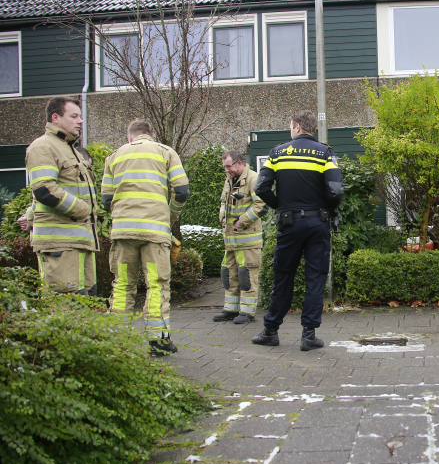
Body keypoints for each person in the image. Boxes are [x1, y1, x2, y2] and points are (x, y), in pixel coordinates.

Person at [251, 110, 344, 351]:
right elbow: (335, 191)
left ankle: (270, 331)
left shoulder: (277, 152)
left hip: (288, 223)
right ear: (311, 128)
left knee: (283, 276)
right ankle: (308, 336)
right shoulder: (325, 153)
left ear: (296, 126)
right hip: (317, 223)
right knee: (315, 279)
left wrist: (279, 206)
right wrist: (328, 209)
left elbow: (261, 187)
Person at [101, 120, 190, 357]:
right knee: (157, 284)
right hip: (154, 233)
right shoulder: (166, 152)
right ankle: (158, 342)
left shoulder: (114, 156)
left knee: (122, 285)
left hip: (123, 233)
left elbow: (106, 200)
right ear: (150, 135)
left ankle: (117, 342)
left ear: (130, 137)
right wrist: (170, 215)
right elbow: (181, 191)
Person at [25, 97, 99, 295]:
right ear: (55, 118)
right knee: (67, 306)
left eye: (80, 116)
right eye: (74, 116)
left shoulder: (68, 149)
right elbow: (44, 190)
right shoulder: (43, 147)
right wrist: (83, 211)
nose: (80, 121)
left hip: (79, 243)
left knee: (88, 308)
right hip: (60, 246)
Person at [212, 150, 267, 324]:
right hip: (231, 241)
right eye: (224, 167)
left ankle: (247, 313)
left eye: (228, 166)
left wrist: (240, 221)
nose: (226, 170)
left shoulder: (253, 178)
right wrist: (222, 214)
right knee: (229, 274)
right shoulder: (229, 180)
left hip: (248, 241)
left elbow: (262, 204)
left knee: (247, 276)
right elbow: (223, 201)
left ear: (239, 163)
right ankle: (231, 309)